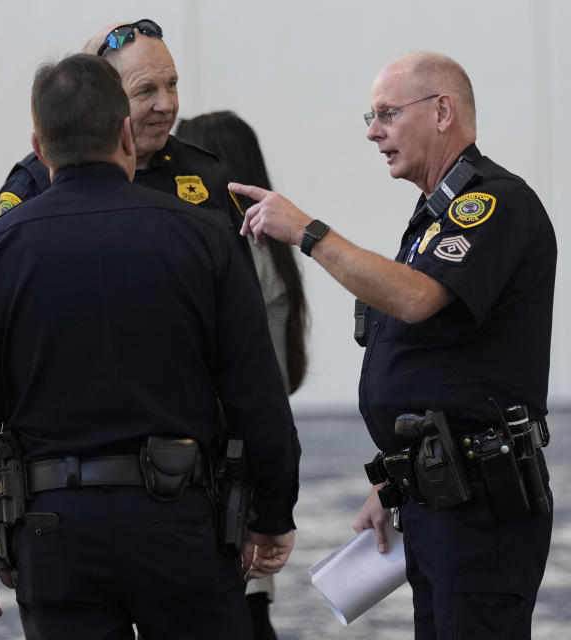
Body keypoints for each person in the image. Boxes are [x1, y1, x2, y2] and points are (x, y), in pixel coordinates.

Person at [0, 54, 300, 640]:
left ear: (39, 145)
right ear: (126, 134)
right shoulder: (203, 238)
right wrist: (272, 513)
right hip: (183, 527)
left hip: (53, 534)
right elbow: (256, 391)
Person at [230, 52, 556, 639]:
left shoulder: (492, 203)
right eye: (370, 115)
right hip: (439, 498)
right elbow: (441, 369)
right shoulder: (435, 216)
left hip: (481, 506)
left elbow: (416, 299)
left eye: (386, 114)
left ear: (442, 112)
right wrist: (395, 482)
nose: (372, 131)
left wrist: (308, 232)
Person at [177, 111, 309, 640]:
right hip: (245, 475)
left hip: (228, 485)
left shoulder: (237, 252)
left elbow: (251, 387)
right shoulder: (264, 251)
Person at [0, 19, 247, 250]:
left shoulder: (207, 174)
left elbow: (243, 293)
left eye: (171, 84)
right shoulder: (35, 185)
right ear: (101, 99)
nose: (167, 104)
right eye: (145, 90)